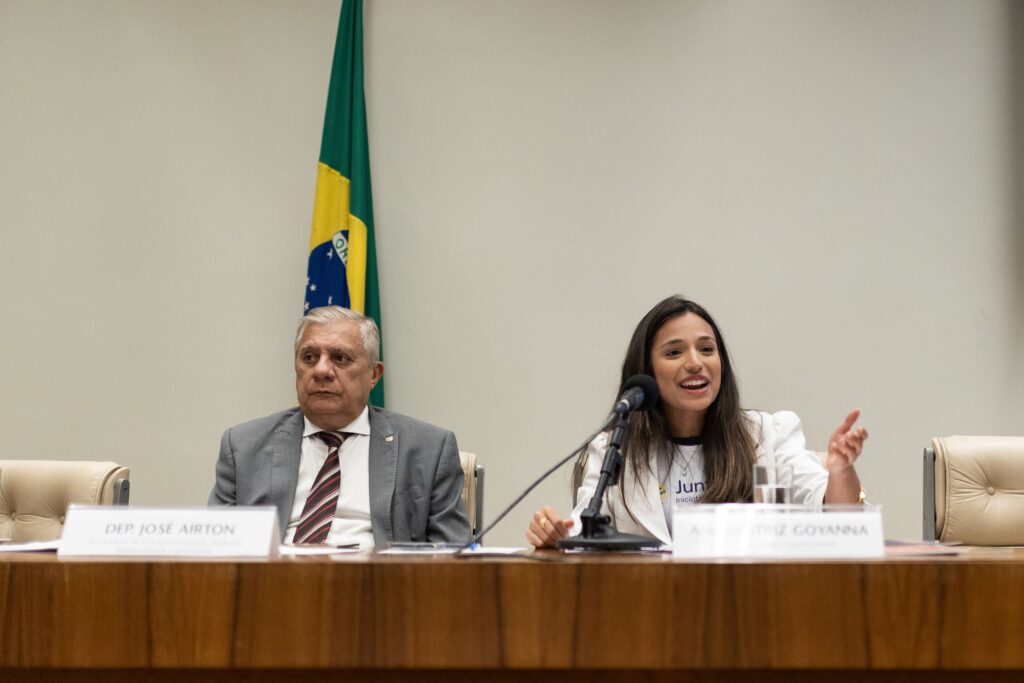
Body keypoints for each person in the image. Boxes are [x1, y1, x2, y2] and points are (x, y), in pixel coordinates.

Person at [526, 295, 868, 549]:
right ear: (645, 371)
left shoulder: (767, 436)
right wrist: (554, 533)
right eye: (674, 353)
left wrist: (839, 471)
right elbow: (581, 530)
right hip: (647, 611)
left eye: (706, 349)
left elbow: (835, 516)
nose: (695, 363)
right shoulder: (615, 449)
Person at [209, 306, 469, 547]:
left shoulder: (428, 449)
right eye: (309, 357)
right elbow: (213, 550)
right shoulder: (243, 447)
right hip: (275, 587)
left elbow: (454, 555)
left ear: (374, 374)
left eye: (340, 358)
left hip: (379, 587)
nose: (321, 370)